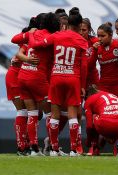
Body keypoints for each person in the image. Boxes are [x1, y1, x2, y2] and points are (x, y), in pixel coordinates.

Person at [29, 7, 88, 157]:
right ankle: (74, 150)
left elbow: (37, 45)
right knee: (73, 115)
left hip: (56, 77)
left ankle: (54, 149)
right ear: (80, 25)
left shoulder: (57, 36)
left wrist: (31, 34)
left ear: (67, 23)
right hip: (73, 78)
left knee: (54, 115)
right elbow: (84, 66)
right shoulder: (82, 40)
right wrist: (82, 86)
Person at [15, 12, 60, 156]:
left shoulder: (34, 33)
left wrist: (30, 33)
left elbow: (14, 39)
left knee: (32, 113)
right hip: (37, 78)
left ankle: (34, 149)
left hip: (23, 75)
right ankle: (53, 148)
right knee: (50, 113)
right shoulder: (52, 37)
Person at [6, 17, 39, 156]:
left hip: (22, 76)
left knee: (29, 112)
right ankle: (22, 146)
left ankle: (25, 145)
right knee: (23, 111)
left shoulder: (32, 36)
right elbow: (19, 54)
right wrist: (27, 60)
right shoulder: (29, 37)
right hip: (16, 77)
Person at [84, 85, 118, 156]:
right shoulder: (114, 96)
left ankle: (94, 148)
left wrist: (88, 142)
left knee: (94, 116)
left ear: (88, 95)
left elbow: (89, 126)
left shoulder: (89, 99)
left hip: (107, 125)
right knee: (116, 120)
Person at [90, 22, 118, 98]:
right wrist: (94, 51)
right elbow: (90, 66)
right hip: (104, 85)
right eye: (98, 36)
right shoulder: (96, 47)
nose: (100, 38)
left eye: (103, 36)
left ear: (111, 35)